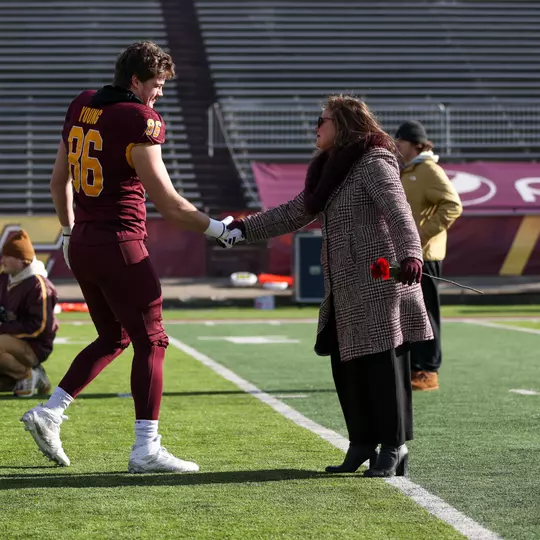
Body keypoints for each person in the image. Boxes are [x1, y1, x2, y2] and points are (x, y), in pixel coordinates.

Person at [21, 41, 241, 473]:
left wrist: (68, 229)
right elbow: (170, 203)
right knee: (152, 339)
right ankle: (146, 448)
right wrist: (219, 230)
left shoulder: (83, 104)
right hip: (120, 242)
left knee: (114, 337)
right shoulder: (140, 120)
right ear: (136, 80)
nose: (159, 94)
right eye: (156, 85)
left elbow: (57, 182)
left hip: (83, 240)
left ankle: (50, 412)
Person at [222, 95, 433, 477]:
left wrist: (412, 254)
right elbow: (293, 212)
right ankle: (362, 443)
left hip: (379, 279)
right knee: (347, 366)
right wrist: (242, 229)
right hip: (346, 284)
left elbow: (398, 209)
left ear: (345, 123)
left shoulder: (374, 160)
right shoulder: (328, 169)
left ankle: (393, 447)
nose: (315, 127)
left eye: (322, 120)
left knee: (383, 367)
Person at [395, 121, 462, 391]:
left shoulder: (428, 170)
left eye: (400, 141)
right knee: (408, 313)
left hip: (425, 254)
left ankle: (428, 370)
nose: (396, 145)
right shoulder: (407, 171)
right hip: (407, 255)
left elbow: (453, 205)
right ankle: (413, 366)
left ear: (415, 144)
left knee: (427, 313)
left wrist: (421, 235)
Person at [0, 230, 56, 397]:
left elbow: (40, 327)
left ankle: (25, 374)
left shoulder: (38, 285)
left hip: (34, 346)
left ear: (22, 259)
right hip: (8, 340)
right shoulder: (4, 279)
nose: (2, 260)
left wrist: (4, 327)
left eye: (7, 255)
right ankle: (36, 377)